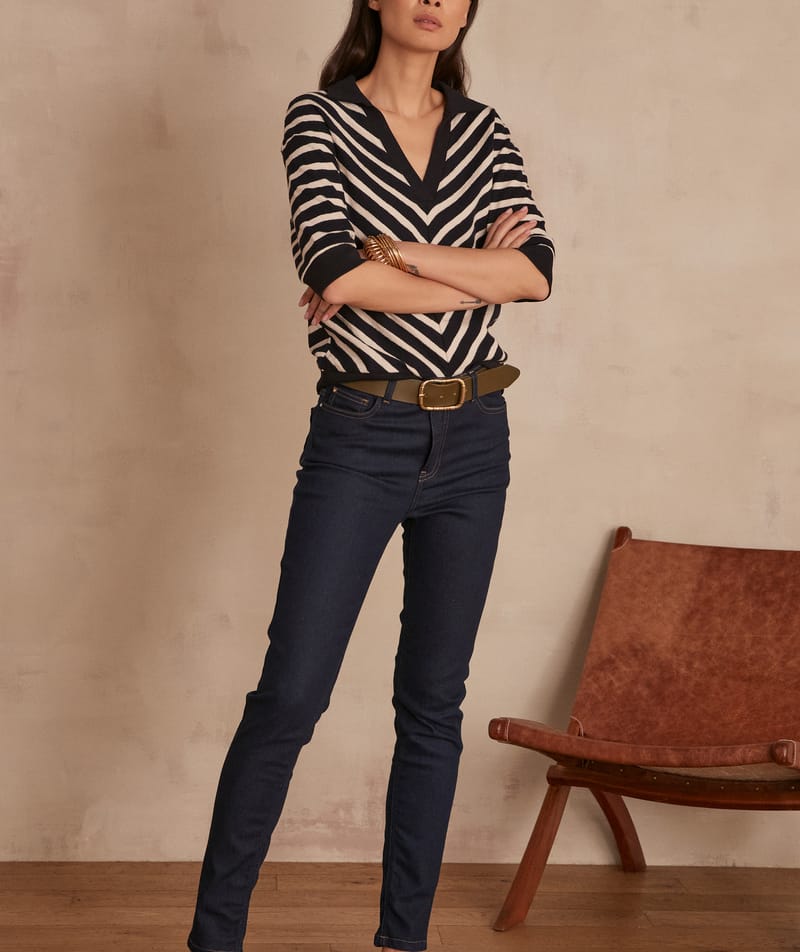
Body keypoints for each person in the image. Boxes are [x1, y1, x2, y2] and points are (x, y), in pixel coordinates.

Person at [187, 1, 554, 950]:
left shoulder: (484, 131)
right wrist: (463, 269)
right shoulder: (320, 119)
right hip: (360, 433)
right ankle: (214, 939)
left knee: (433, 706)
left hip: (476, 439)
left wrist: (389, 254)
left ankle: (403, 941)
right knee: (291, 694)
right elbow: (333, 270)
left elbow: (534, 274)